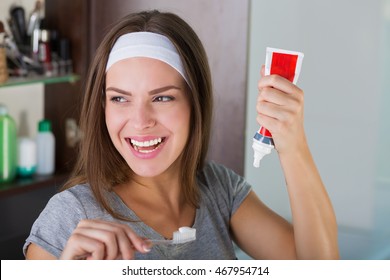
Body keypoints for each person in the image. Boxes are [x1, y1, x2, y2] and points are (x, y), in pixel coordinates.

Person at [24, 10, 339, 260]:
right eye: (119, 98)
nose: (140, 121)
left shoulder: (218, 189)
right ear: (102, 105)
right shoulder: (69, 217)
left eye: (162, 97)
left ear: (194, 103)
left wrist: (292, 142)